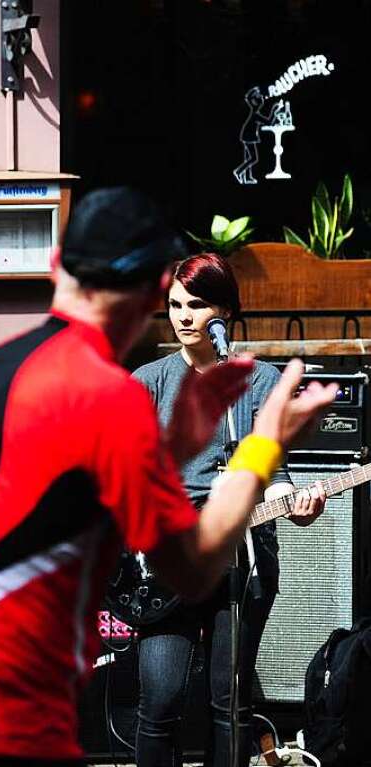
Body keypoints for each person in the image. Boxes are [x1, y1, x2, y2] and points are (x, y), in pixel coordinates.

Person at [0, 187, 337, 766]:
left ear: (54, 267)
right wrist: (265, 445)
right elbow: (188, 562)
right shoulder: (109, 397)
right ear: (147, 298)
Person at [133, 253, 325, 767]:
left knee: (231, 706)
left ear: (226, 313)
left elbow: (271, 471)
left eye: (197, 304)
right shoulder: (148, 382)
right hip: (166, 564)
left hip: (242, 563)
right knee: (161, 700)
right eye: (175, 304)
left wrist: (297, 504)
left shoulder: (258, 382)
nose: (184, 316)